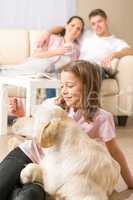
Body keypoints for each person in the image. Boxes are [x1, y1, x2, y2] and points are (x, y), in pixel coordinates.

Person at [0, 60, 133, 200]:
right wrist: (19, 112)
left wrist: (129, 181)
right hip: (27, 153)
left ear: (88, 86)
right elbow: (35, 126)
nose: (64, 91)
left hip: (48, 171)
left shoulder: (102, 118)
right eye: (62, 85)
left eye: (69, 86)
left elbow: (114, 151)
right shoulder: (52, 105)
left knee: (27, 197)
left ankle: (16, 187)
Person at [1, 15, 84, 121]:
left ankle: (49, 116)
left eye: (78, 28)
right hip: (38, 66)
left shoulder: (76, 50)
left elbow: (73, 69)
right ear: (66, 26)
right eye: (72, 25)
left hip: (54, 75)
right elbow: (36, 55)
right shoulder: (53, 38)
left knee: (57, 77)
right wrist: (56, 52)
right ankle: (4, 72)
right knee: (47, 65)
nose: (74, 30)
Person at [38, 9, 133, 79]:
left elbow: (130, 51)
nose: (97, 26)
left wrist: (115, 54)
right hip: (78, 68)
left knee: (81, 72)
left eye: (99, 21)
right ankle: (55, 102)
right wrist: (47, 33)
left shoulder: (115, 42)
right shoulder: (87, 35)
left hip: (96, 69)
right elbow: (65, 28)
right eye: (93, 23)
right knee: (55, 72)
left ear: (106, 21)